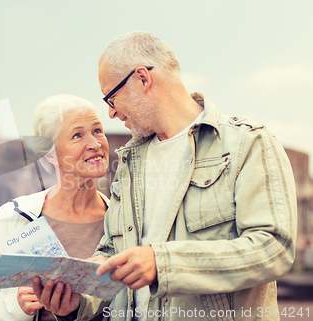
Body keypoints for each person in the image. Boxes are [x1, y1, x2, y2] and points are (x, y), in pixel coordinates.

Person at [34, 31, 297, 321]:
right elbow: (112, 253)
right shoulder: (128, 162)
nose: (110, 113)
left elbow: (273, 247)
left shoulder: (248, 144)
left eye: (111, 97)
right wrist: (76, 302)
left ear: (143, 79)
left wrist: (163, 263)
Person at [0, 94, 110, 321]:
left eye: (97, 131)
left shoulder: (123, 218)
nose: (95, 144)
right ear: (49, 154)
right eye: (77, 135)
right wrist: (17, 306)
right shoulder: (14, 216)